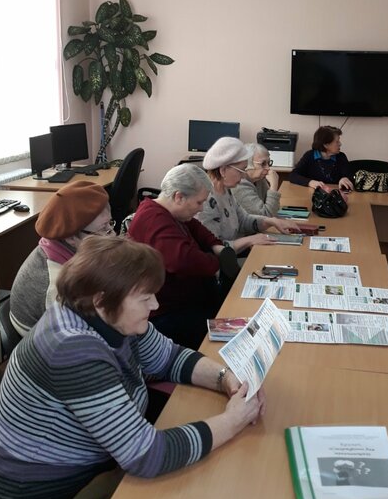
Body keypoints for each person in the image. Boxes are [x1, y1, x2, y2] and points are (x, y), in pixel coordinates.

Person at [0, 235, 265, 499]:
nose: (155, 304)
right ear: (101, 300)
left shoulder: (110, 317)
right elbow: (146, 455)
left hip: (82, 465)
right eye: (145, 298)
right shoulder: (72, 349)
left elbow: (169, 357)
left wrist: (225, 378)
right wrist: (232, 421)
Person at [128, 163, 228, 349]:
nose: (201, 209)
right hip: (167, 313)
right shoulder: (154, 220)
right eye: (199, 202)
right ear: (179, 197)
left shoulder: (169, 211)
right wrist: (218, 261)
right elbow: (186, 261)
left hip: (185, 302)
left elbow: (197, 228)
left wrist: (215, 245)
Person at [9, 180, 114, 336]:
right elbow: (75, 337)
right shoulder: (58, 285)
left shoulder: (63, 247)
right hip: (48, 339)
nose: (113, 234)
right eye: (103, 229)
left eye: (110, 224)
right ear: (71, 238)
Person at [196, 137, 301, 253]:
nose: (243, 176)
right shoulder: (205, 201)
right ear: (223, 170)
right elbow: (214, 247)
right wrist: (250, 240)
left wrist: (271, 221)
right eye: (241, 170)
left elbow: (243, 220)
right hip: (223, 261)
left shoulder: (226, 190)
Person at [289, 125, 354, 191]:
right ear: (326, 145)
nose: (340, 144)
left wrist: (345, 179)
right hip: (313, 194)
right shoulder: (309, 156)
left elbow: (351, 177)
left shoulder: (341, 157)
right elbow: (293, 175)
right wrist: (310, 182)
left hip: (335, 194)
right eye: (337, 141)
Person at [232, 143, 281, 217]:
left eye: (269, 163)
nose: (268, 168)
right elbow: (266, 215)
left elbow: (274, 208)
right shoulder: (239, 185)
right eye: (263, 164)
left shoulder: (259, 180)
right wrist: (274, 186)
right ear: (247, 164)